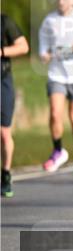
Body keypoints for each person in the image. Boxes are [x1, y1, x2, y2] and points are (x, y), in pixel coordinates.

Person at [38, 0, 73, 173]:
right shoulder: (49, 20)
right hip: (56, 74)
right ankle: (58, 150)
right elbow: (43, 45)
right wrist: (44, 54)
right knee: (54, 112)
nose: (60, 0)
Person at [1, 13, 30, 198]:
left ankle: (5, 173)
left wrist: (2, 51)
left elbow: (23, 47)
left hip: (2, 82)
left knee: (3, 133)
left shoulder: (5, 21)